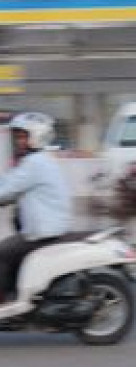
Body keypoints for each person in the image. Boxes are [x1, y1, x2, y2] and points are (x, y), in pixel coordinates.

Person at [0, 113, 71, 303]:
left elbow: (6, 191)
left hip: (41, 233)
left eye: (22, 136)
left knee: (3, 251)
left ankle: (5, 301)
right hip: (43, 230)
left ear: (36, 136)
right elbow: (8, 183)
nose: (18, 141)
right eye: (17, 137)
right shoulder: (38, 161)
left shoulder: (35, 163)